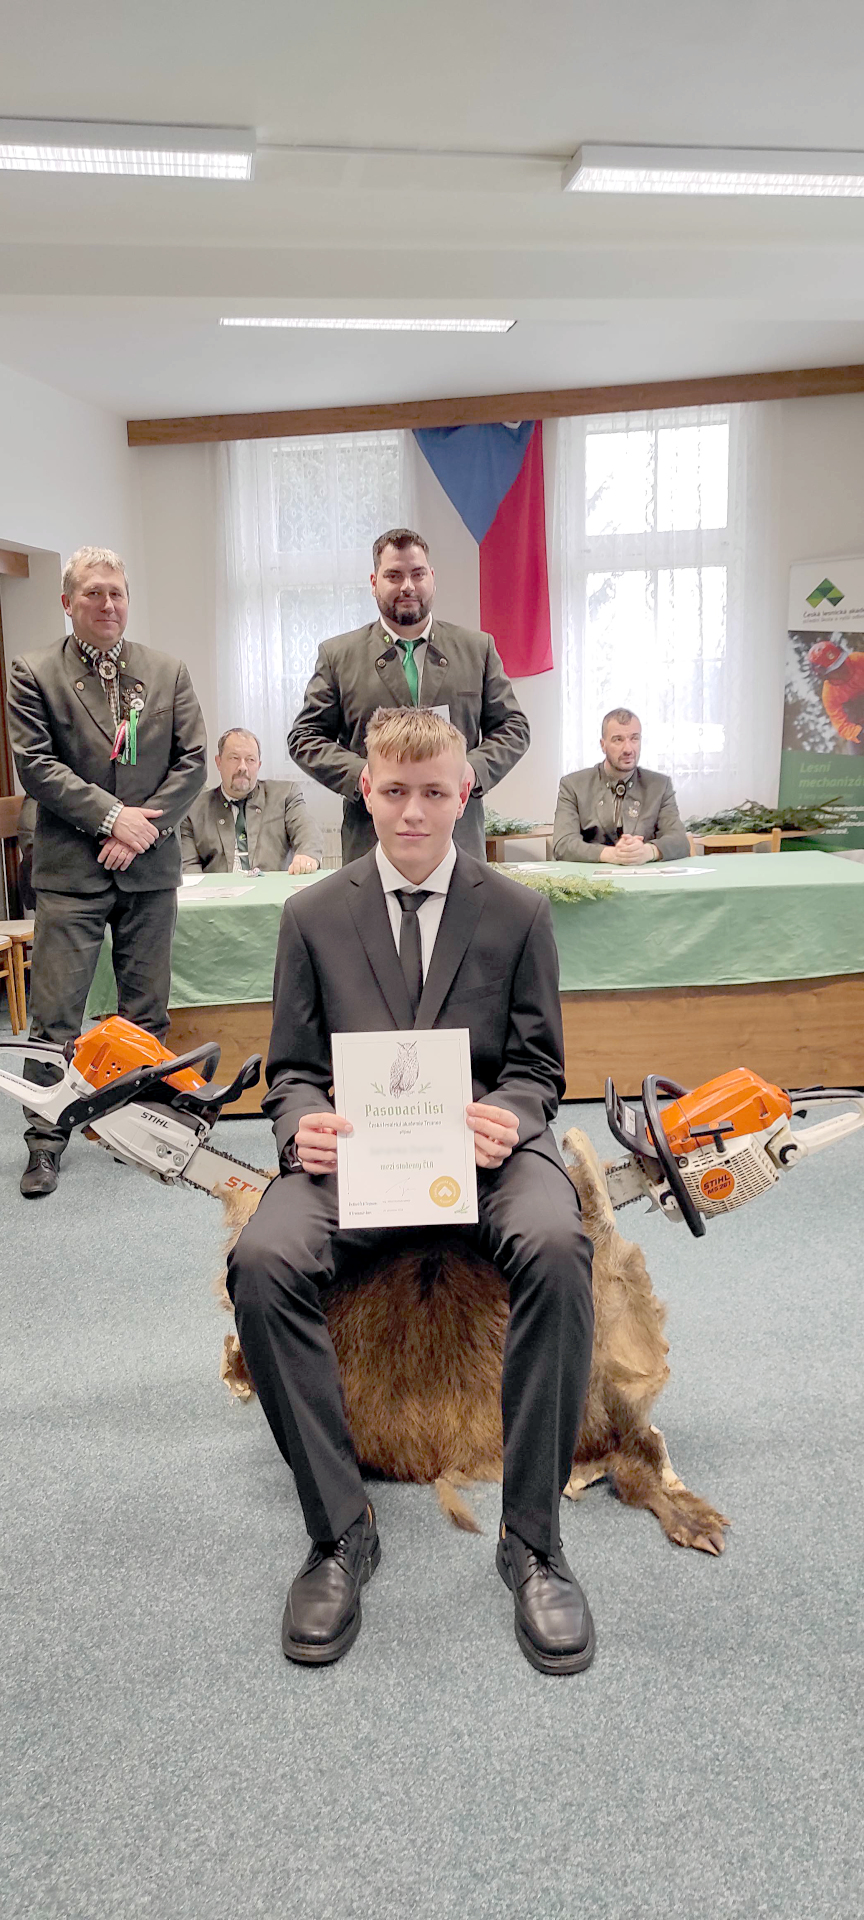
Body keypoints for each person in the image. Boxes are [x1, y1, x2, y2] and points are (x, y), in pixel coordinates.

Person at [227, 706, 595, 1677]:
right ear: (366, 791)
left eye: (435, 792)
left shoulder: (518, 912)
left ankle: (533, 1540)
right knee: (262, 1260)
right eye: (395, 791)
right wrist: (299, 1122)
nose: (414, 812)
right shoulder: (312, 915)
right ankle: (339, 1531)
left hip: (487, 1160)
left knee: (560, 1244)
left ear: (464, 793)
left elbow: (541, 1067)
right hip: (357, 1159)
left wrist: (512, 1113)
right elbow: (291, 1069)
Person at [7, 545, 206, 1198]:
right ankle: (45, 1141)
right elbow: (37, 766)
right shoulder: (33, 671)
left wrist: (141, 831)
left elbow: (193, 761)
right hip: (72, 873)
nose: (108, 603)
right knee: (55, 1021)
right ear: (68, 602)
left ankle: (139, 1127)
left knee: (146, 1015)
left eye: (117, 592)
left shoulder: (167, 671)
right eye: (93, 592)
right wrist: (113, 818)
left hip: (148, 869)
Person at [287, 528, 530, 864]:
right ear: (374, 582)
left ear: (432, 578)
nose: (408, 586)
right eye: (394, 575)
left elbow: (514, 727)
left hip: (458, 841)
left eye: (417, 574)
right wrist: (363, 774)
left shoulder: (477, 649)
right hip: (370, 843)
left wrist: (471, 769)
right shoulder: (339, 656)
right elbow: (304, 737)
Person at [552, 708, 689, 864]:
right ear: (603, 745)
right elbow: (562, 844)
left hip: (644, 874)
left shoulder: (660, 786)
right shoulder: (573, 785)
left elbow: (679, 840)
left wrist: (648, 851)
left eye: (634, 739)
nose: (628, 749)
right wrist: (610, 854)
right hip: (590, 876)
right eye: (618, 740)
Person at [180, 727, 322, 874]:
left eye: (250, 760)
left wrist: (306, 856)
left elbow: (307, 832)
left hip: (271, 887)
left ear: (259, 765)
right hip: (218, 888)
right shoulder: (194, 808)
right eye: (234, 758)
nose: (242, 767)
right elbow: (188, 868)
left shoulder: (284, 795)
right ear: (219, 762)